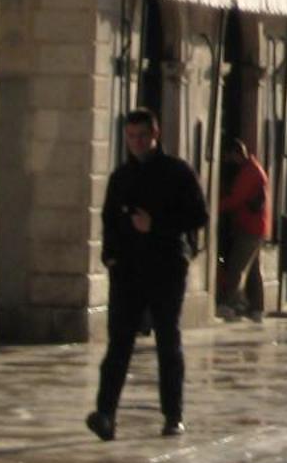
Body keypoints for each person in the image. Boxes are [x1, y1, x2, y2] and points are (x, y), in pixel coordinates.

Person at [86, 108, 209, 441]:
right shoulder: (121, 177)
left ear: (155, 135)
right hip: (127, 269)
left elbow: (198, 215)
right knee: (119, 344)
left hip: (166, 266)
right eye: (131, 137)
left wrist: (156, 225)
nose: (137, 142)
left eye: (142, 136)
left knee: (167, 341)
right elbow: (109, 220)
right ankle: (105, 413)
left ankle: (173, 414)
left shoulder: (177, 172)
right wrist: (110, 257)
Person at [215, 137, 269, 321]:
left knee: (237, 267)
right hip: (254, 226)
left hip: (250, 227)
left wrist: (214, 207)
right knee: (253, 270)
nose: (227, 161)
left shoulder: (250, 172)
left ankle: (229, 304)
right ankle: (257, 308)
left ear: (235, 154)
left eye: (228, 157)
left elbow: (236, 198)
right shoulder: (252, 169)